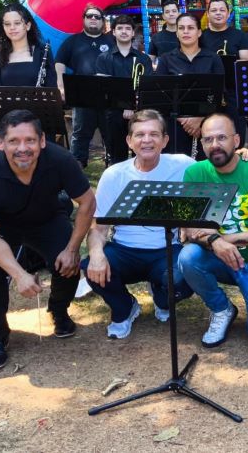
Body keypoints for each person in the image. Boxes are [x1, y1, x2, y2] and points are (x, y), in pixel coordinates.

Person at [0, 110, 96, 369]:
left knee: (68, 262)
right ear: (0, 143)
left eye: (30, 140)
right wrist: (19, 275)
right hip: (2, 230)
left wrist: (73, 248)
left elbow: (87, 202)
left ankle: (58, 311)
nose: (22, 148)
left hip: (47, 220)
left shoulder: (61, 159)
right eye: (14, 141)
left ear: (42, 141)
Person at [82, 110, 195, 339]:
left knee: (185, 278)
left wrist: (243, 154)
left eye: (154, 134)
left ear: (165, 140)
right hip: (125, 250)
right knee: (90, 266)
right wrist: (96, 253)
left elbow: (219, 171)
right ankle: (124, 308)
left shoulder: (184, 165)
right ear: (129, 141)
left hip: (166, 249)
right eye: (140, 134)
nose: (146, 140)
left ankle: (162, 296)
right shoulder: (114, 175)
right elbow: (99, 227)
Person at [178, 114, 248, 351]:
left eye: (221, 137)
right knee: (187, 257)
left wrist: (226, 240)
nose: (214, 144)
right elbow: (189, 227)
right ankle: (221, 308)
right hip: (219, 260)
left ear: (237, 140)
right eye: (208, 139)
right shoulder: (195, 173)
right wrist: (216, 242)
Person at [54, 3, 117, 167]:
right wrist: (60, 86)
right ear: (84, 20)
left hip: (109, 98)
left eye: (97, 17)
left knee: (112, 135)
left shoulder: (112, 40)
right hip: (82, 98)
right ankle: (76, 171)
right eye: (90, 16)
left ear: (103, 21)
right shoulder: (72, 41)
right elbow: (59, 63)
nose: (94, 19)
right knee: (80, 135)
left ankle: (115, 169)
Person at [156, 13, 226, 157]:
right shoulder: (166, 59)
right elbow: (161, 95)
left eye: (190, 28)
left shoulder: (213, 58)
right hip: (175, 124)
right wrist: (186, 121)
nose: (185, 31)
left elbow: (219, 94)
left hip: (207, 123)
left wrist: (199, 119)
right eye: (181, 28)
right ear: (177, 33)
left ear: (199, 32)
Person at [95, 14, 154, 164]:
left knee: (142, 155)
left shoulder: (143, 59)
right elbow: (104, 88)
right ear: (113, 32)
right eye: (119, 28)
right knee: (117, 157)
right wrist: (125, 105)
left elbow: (147, 87)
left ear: (133, 33)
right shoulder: (104, 58)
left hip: (139, 113)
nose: (124, 31)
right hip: (113, 114)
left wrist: (132, 106)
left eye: (128, 28)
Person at [0, 3, 56, 88]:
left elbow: (52, 88)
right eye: (7, 24)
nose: (12, 27)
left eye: (17, 23)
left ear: (28, 26)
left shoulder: (43, 51)